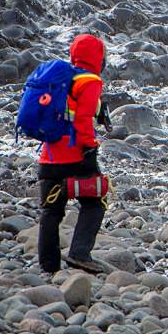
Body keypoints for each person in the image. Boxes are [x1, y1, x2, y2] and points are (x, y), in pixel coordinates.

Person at [37, 33, 110, 274]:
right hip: (76, 156)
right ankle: (79, 253)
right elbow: (82, 119)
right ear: (98, 58)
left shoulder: (59, 77)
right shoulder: (90, 81)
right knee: (95, 201)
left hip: (48, 155)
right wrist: (90, 147)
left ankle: (48, 268)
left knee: (50, 211)